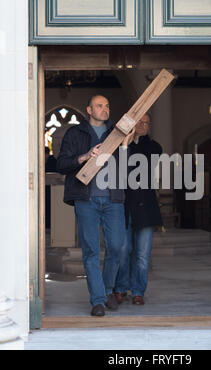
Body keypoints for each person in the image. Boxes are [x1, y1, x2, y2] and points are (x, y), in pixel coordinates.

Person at [57, 95, 134, 317]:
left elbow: (127, 170)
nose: (105, 109)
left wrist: (126, 145)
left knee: (118, 247)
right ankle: (98, 299)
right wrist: (84, 157)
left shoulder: (117, 134)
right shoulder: (75, 133)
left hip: (113, 199)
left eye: (108, 105)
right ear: (89, 109)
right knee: (90, 251)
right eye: (100, 106)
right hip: (85, 198)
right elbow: (62, 164)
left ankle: (107, 289)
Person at [114, 113, 163, 305]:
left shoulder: (154, 147)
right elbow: (118, 170)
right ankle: (120, 288)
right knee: (123, 251)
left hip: (145, 208)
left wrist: (127, 146)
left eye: (146, 123)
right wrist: (125, 143)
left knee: (142, 254)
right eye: (139, 122)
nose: (142, 125)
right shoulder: (119, 146)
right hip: (122, 207)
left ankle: (138, 291)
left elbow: (137, 168)